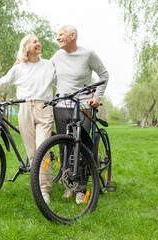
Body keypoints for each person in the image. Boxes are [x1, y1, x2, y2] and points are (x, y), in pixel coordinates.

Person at [0, 34, 56, 204]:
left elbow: (62, 83)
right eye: (34, 42)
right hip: (24, 108)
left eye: (38, 41)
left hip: (44, 108)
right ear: (26, 47)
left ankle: (44, 190)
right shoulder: (19, 67)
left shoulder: (49, 65)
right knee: (32, 152)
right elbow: (4, 82)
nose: (38, 43)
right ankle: (37, 185)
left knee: (43, 148)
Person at [51, 25, 109, 204]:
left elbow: (103, 74)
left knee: (81, 147)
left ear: (72, 36)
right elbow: (45, 72)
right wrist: (23, 62)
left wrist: (97, 98)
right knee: (64, 147)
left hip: (83, 106)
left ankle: (81, 189)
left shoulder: (88, 54)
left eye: (61, 35)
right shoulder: (57, 56)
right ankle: (69, 184)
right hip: (61, 105)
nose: (58, 38)